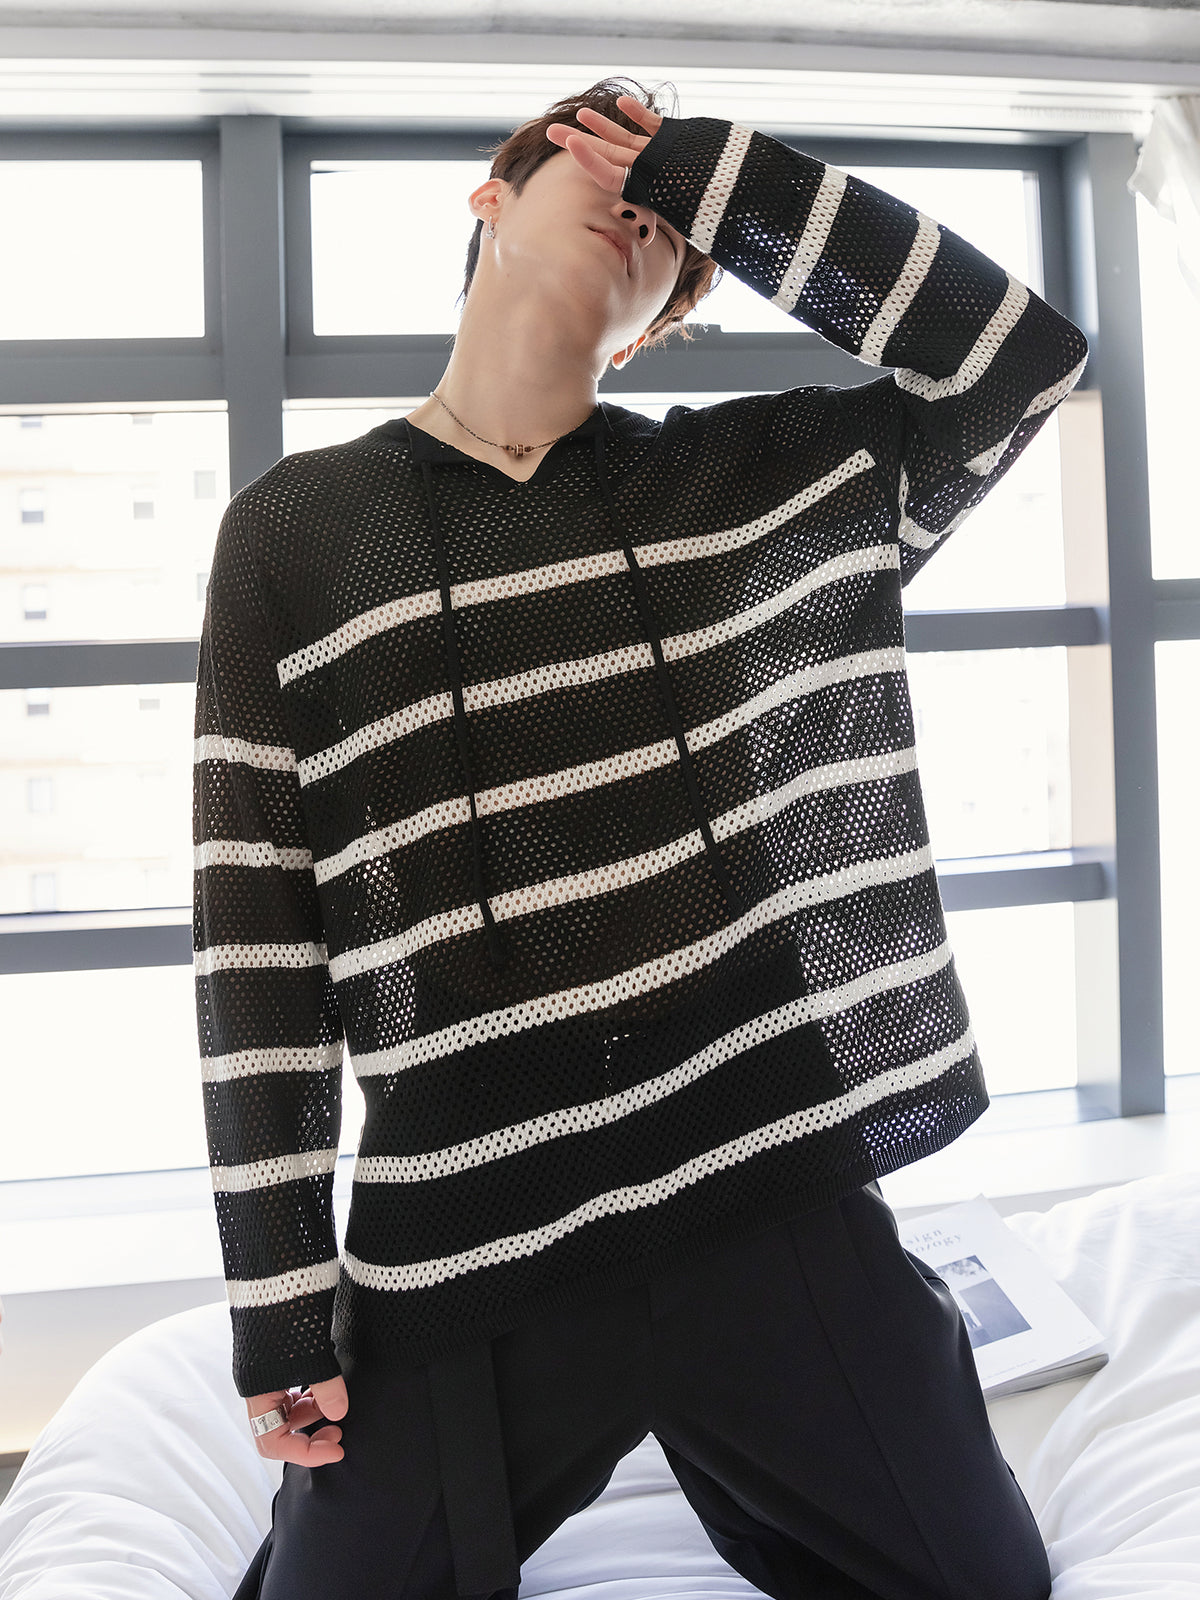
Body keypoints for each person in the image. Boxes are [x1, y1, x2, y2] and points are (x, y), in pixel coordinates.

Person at [195, 74, 1087, 1600]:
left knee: (987, 1587)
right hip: (468, 1220)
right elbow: (259, 935)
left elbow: (1019, 361)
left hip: (763, 1180)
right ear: (488, 203)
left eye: (674, 227)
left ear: (659, 323)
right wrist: (280, 1304)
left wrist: (721, 176)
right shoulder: (296, 530)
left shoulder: (739, 485)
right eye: (599, 163)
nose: (642, 207)